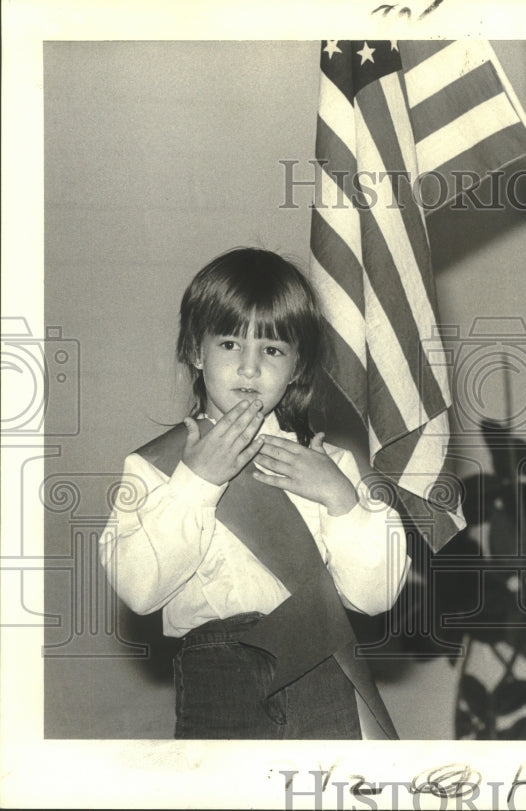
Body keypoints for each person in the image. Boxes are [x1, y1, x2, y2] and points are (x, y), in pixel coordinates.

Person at [100, 247, 409, 740]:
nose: (249, 368)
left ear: (297, 365)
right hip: (217, 681)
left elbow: (375, 598)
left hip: (323, 678)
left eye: (271, 350)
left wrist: (340, 499)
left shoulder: (330, 467)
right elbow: (139, 590)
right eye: (229, 345)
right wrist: (196, 483)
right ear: (196, 352)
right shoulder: (156, 468)